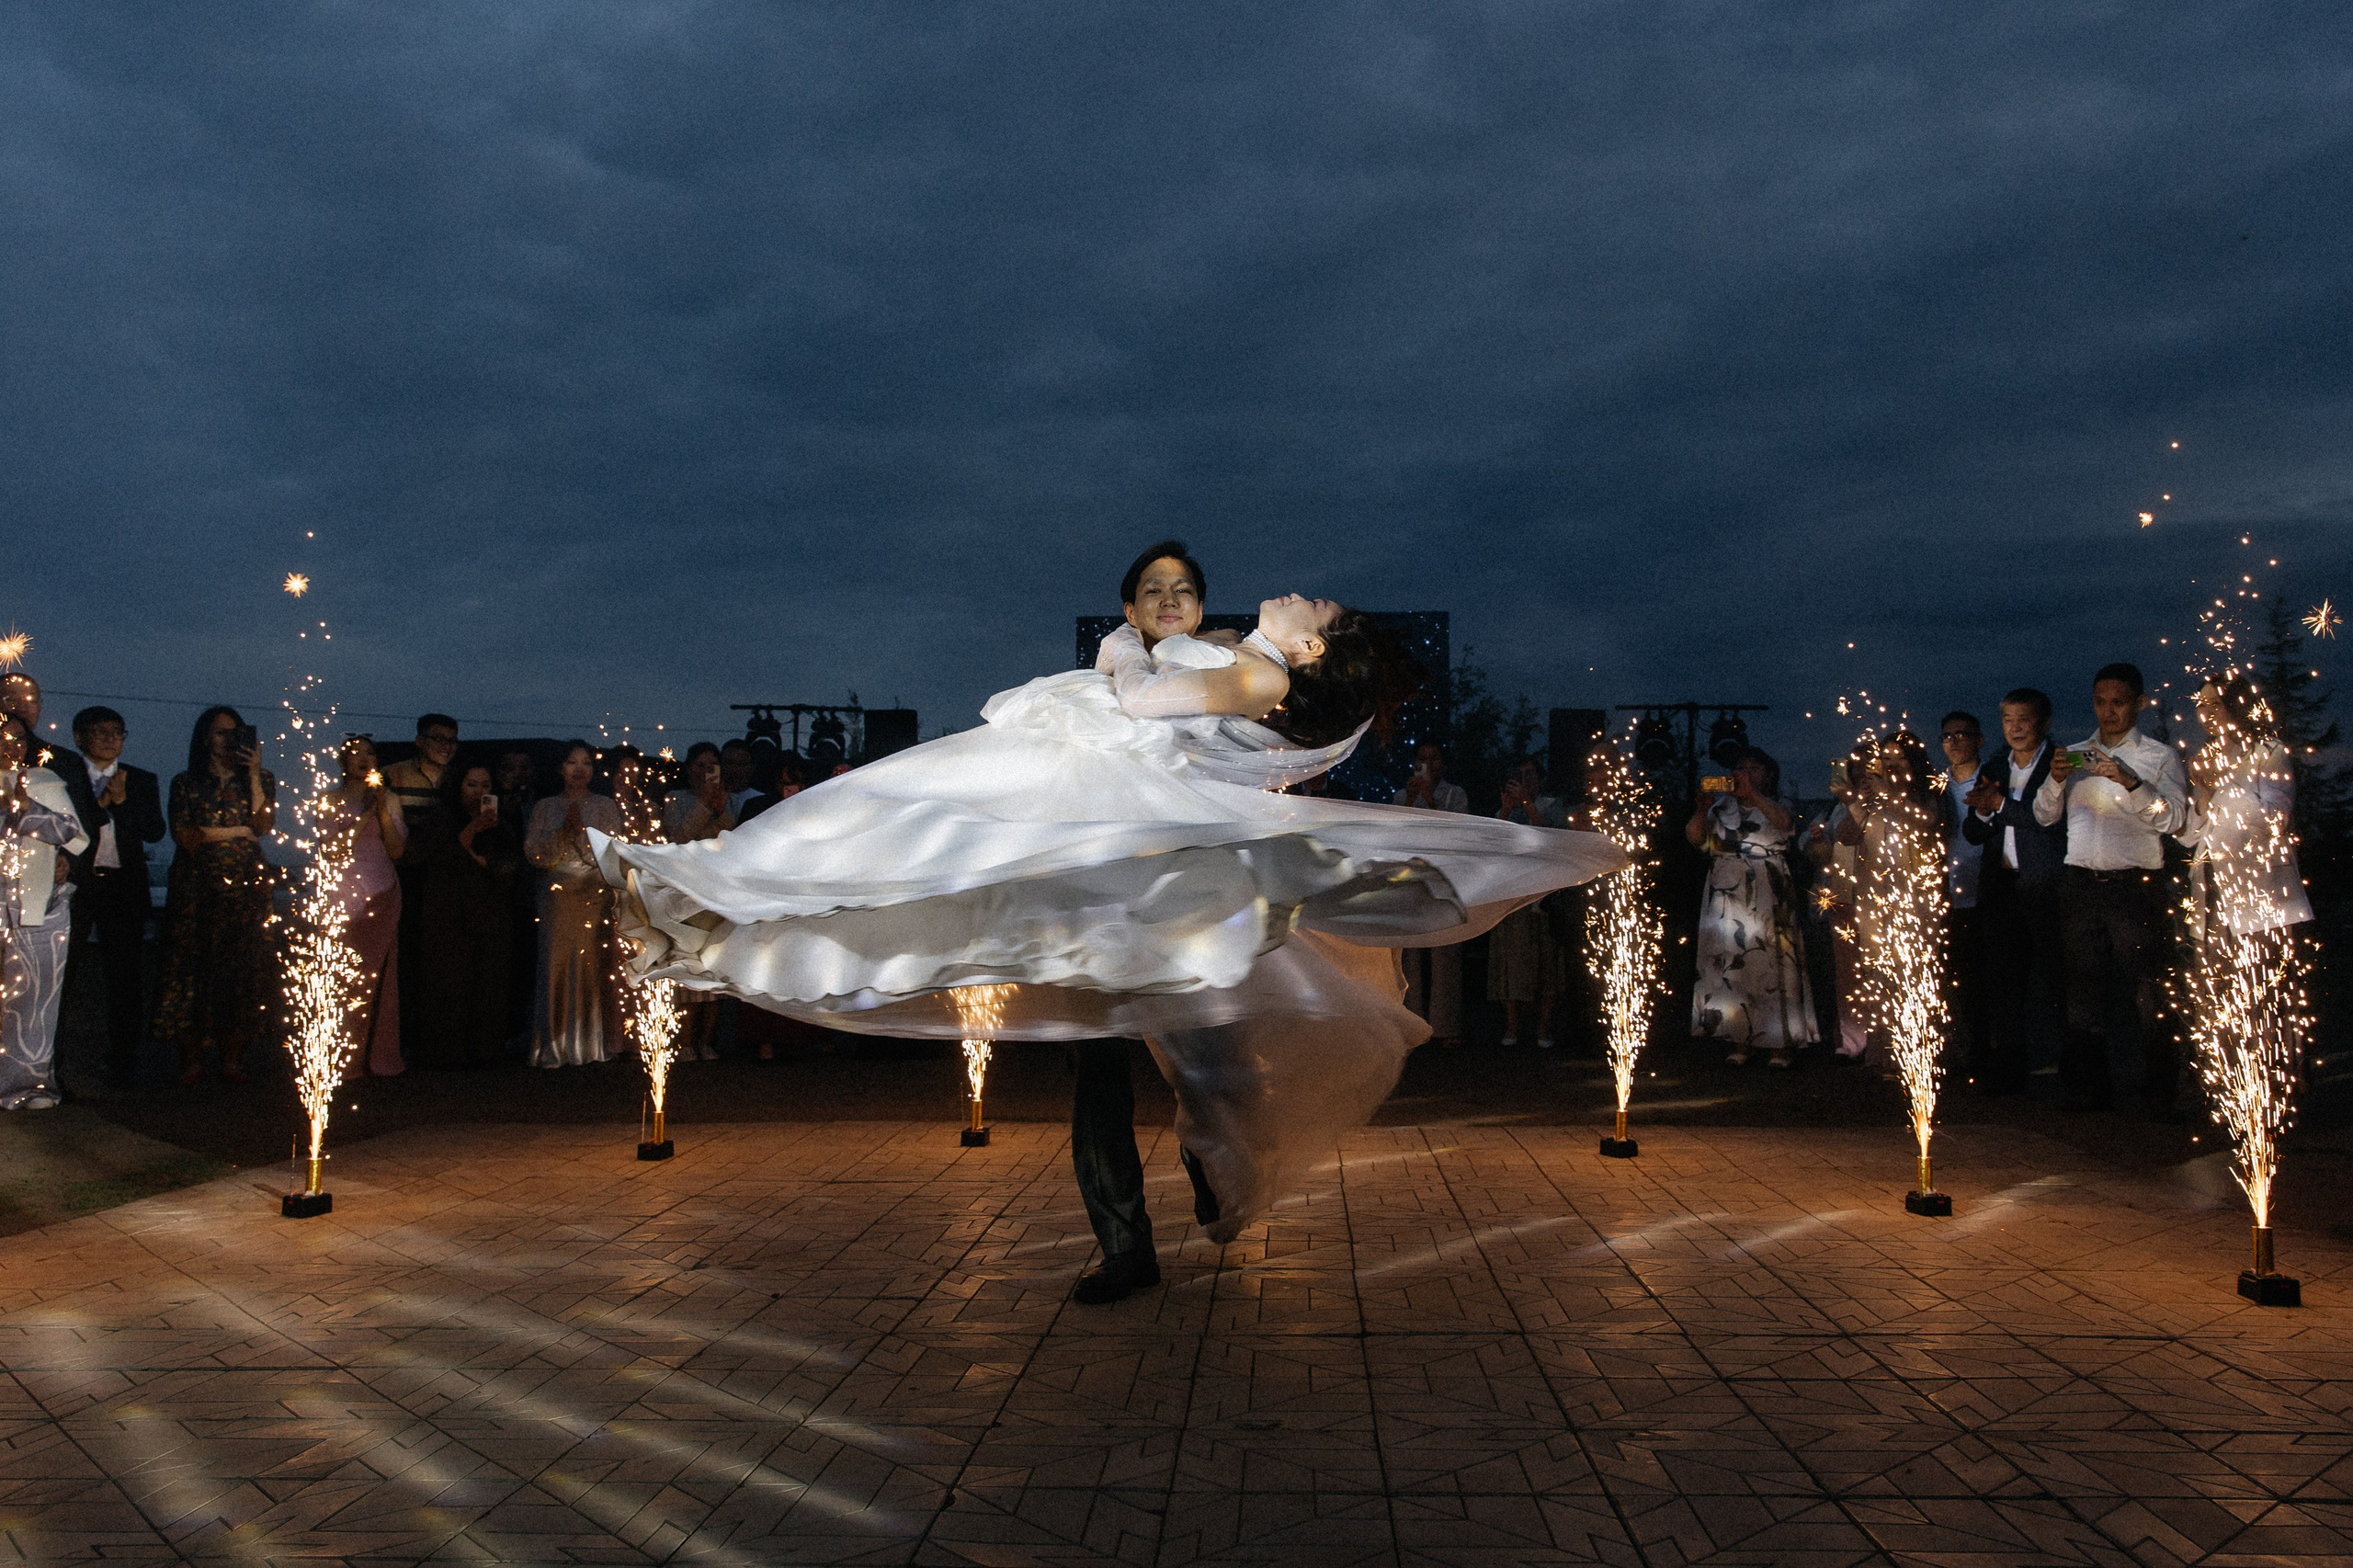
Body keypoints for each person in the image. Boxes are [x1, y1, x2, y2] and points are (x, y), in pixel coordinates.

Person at [595, 587, 1624, 1291]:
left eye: (1321, 610)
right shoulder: (1261, 677)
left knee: (917, 821)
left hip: (1122, 868)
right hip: (1126, 876)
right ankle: (1182, 1203)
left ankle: (725, 896)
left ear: (1310, 649)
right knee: (1156, 1047)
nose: (1306, 595)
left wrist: (1122, 643)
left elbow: (1135, 696)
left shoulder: (1261, 679)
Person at [2035, 663, 2188, 1117]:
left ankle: (2160, 1090)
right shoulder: (2077, 752)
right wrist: (2057, 779)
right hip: (2081, 882)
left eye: (2118, 701)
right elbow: (2045, 817)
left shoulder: (2158, 756)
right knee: (2083, 989)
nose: (2108, 711)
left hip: (2135, 884)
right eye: (2101, 701)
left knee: (2149, 988)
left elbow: (2175, 819)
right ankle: (2089, 1088)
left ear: (2139, 703)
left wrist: (2130, 781)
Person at [154, 705, 278, 1085]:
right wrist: (237, 831)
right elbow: (186, 836)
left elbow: (262, 826)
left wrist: (254, 776)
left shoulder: (261, 779)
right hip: (196, 888)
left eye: (234, 732)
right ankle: (191, 1059)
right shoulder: (186, 782)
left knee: (241, 968)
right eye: (220, 732)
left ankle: (233, 1057)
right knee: (191, 966)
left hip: (246, 888)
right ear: (205, 737)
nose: (228, 740)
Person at [1961, 688, 2067, 1096]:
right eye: (2008, 719)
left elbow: (2046, 821)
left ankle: (2058, 1060)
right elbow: (1973, 830)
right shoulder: (1994, 766)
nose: (2016, 727)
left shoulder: (2058, 764)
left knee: (2052, 974)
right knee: (2003, 976)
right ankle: (2007, 1068)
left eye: (2024, 719)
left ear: (2043, 722)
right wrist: (1986, 809)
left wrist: (1999, 804)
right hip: (2000, 885)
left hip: (2045, 882)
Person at [60, 707, 167, 1089]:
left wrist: (123, 802)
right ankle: (51, 1062)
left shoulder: (139, 779)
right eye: (99, 731)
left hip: (123, 888)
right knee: (63, 975)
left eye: (117, 732)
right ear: (78, 737)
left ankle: (124, 1063)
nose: (109, 738)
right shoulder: (65, 777)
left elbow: (154, 832)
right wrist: (101, 804)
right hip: (76, 886)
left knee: (124, 978)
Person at [1689, 745, 1816, 1066]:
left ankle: (1778, 1043)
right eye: (1740, 769)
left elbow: (1785, 824)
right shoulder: (1721, 807)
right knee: (1732, 962)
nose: (1744, 775)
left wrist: (1753, 794)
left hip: (1765, 884)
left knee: (1772, 961)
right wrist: (1700, 809)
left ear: (1768, 774)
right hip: (1726, 887)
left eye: (1753, 769)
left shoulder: (1778, 804)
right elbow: (1696, 840)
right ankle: (1738, 1039)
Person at [2178, 672, 2313, 942]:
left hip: (2260, 896)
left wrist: (2224, 787)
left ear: (2236, 704)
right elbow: (2190, 837)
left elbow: (2275, 819)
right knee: (2212, 979)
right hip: (2211, 890)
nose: (2208, 712)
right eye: (2201, 705)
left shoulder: (2268, 751)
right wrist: (2204, 790)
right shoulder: (2209, 757)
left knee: (2260, 977)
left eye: (2216, 704)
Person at [0, 713, 89, 1109]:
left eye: (19, 738)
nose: (12, 745)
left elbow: (74, 837)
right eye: (3, 737)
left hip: (35, 905)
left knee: (33, 998)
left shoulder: (43, 782)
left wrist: (25, 809)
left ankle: (27, 1085)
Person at [416, 761, 522, 1069]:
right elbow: (439, 856)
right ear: (458, 786)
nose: (479, 792)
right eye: (472, 785)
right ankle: (445, 1053)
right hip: (449, 911)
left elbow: (511, 861)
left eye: (486, 786)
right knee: (450, 980)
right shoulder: (441, 817)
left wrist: (487, 862)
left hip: (491, 910)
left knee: (489, 981)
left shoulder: (501, 822)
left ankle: (485, 1051)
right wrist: (472, 829)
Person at [525, 740, 623, 1067]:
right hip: (556, 895)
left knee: (592, 966)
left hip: (592, 895)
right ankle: (552, 1044)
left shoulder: (606, 805)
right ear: (560, 768)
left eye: (586, 763)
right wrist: (561, 835)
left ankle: (590, 1043)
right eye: (572, 762)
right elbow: (534, 854)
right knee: (554, 965)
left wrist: (579, 835)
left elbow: (612, 854)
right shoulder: (544, 806)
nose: (579, 769)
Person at [316, 734, 405, 1076]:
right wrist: (364, 813)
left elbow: (396, 850)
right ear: (342, 761)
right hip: (343, 896)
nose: (364, 758)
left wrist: (381, 806)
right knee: (345, 976)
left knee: (379, 977)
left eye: (370, 752)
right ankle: (341, 1055)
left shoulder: (390, 799)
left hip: (382, 891)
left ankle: (379, 1055)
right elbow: (333, 850)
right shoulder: (329, 800)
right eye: (355, 753)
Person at [384, 714, 458, 1066]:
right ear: (419, 741)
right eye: (438, 739)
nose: (445, 746)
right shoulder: (393, 776)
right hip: (409, 874)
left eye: (451, 740)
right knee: (410, 957)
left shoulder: (458, 778)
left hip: (448, 878)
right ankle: (408, 1038)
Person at [661, 743, 736, 1062]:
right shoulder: (675, 799)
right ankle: (685, 1041)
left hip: (712, 888)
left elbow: (728, 838)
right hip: (683, 889)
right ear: (689, 767)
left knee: (712, 964)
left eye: (713, 765)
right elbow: (678, 838)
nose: (707, 771)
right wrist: (704, 807)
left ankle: (706, 1040)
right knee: (686, 962)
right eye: (701, 764)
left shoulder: (725, 799)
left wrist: (718, 809)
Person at [1392, 742, 1470, 1046]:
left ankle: (1445, 1026)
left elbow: (1458, 834)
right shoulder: (1401, 795)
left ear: (1442, 763)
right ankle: (1412, 1025)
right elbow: (1394, 834)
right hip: (1410, 879)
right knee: (1410, 953)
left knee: (1445, 952)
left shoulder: (1456, 794)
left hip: (1444, 879)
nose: (1428, 763)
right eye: (1422, 758)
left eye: (1433, 758)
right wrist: (1412, 798)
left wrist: (1430, 800)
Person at [1488, 756, 1565, 1048]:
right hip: (1514, 893)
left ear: (1541, 779)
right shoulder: (1507, 805)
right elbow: (1494, 841)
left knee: (1548, 964)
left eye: (1530, 774)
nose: (1525, 780)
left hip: (1544, 895)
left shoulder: (1552, 805)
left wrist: (1526, 805)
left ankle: (1544, 1028)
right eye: (1519, 774)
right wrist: (1507, 808)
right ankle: (1512, 1026)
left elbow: (1551, 837)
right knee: (1510, 961)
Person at [1937, 711, 1991, 1082]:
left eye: (1962, 734)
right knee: (1955, 978)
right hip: (1947, 892)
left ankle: (1988, 1055)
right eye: (1947, 736)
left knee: (1988, 977)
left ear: (1978, 740)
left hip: (1987, 888)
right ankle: (1963, 1054)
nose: (1954, 742)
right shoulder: (1935, 787)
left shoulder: (1992, 778)